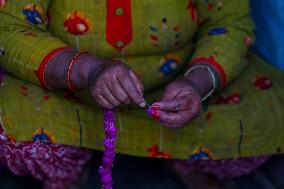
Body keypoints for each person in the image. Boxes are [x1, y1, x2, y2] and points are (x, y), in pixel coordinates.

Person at [0, 0, 283, 188]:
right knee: (9, 124)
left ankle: (186, 160)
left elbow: (231, 23)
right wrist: (87, 70)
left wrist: (196, 85)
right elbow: (10, 27)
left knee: (271, 113)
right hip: (69, 95)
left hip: (179, 83)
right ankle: (69, 173)